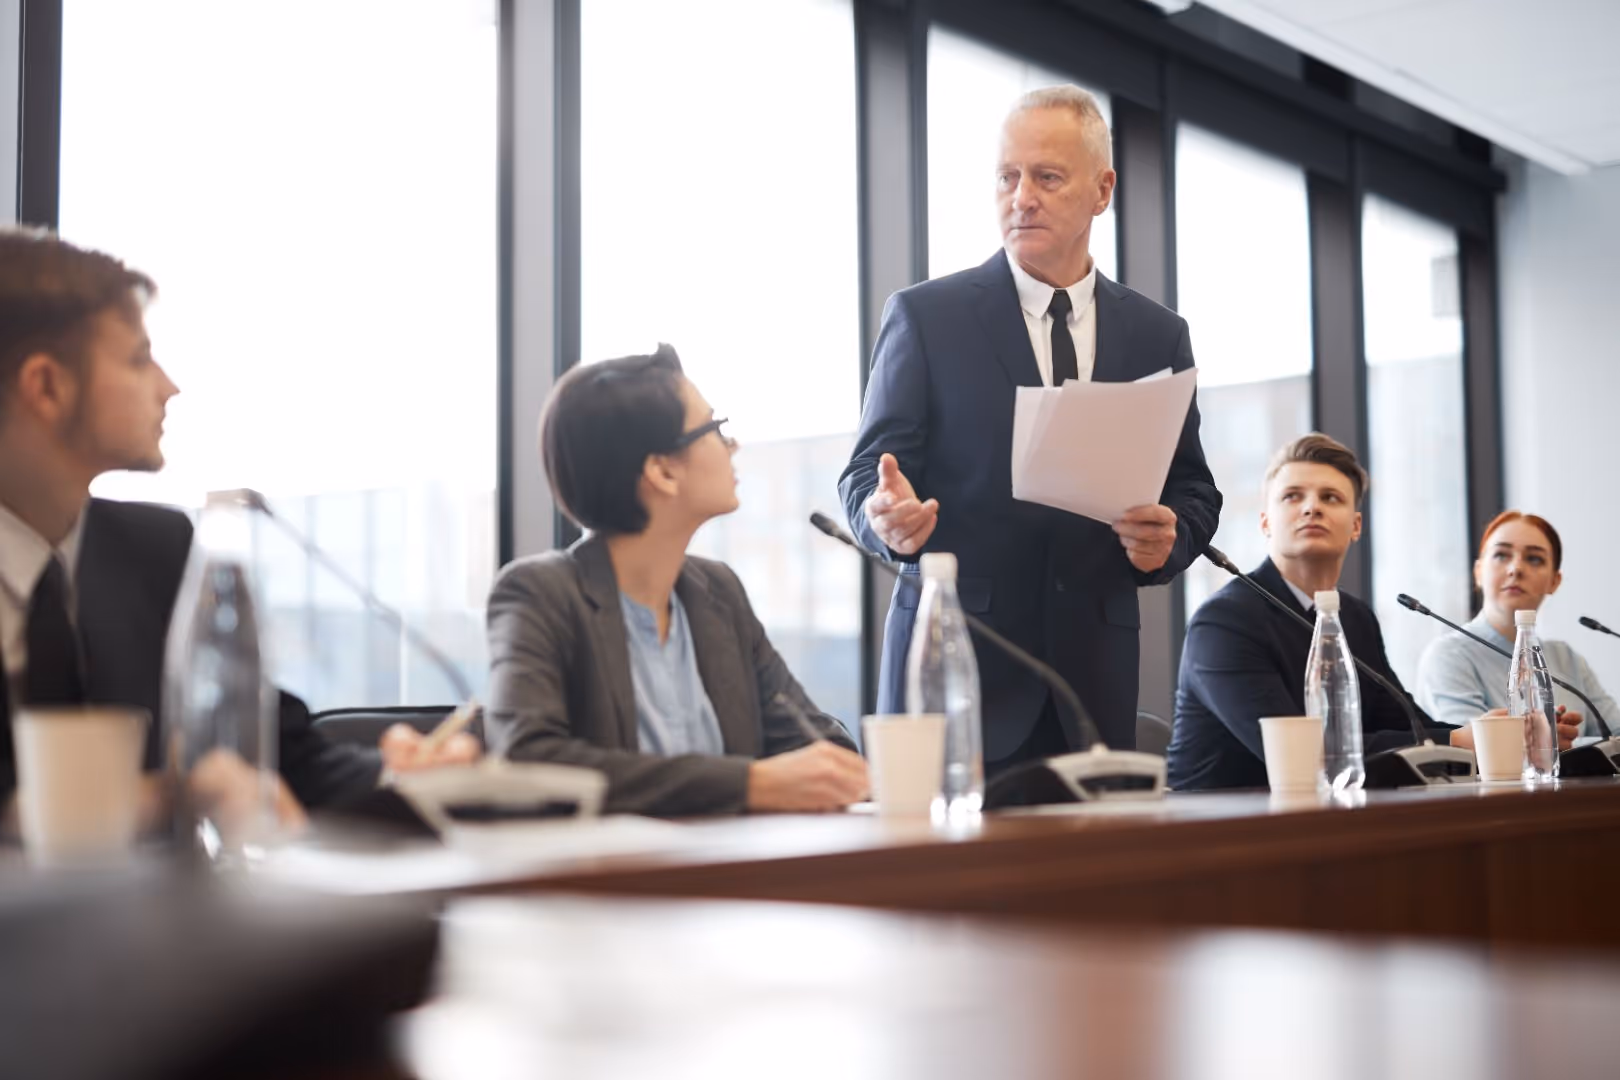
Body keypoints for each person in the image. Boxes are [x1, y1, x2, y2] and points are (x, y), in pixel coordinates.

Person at [0, 227, 477, 830]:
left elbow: (282, 759)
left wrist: (402, 778)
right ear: (46, 386)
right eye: (138, 359)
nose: (170, 387)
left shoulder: (154, 549)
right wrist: (159, 801)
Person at [839, 85, 1220, 768]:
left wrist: (1169, 537)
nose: (1022, 197)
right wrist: (884, 517)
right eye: (1007, 177)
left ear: (1102, 191)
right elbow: (868, 472)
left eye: (1046, 177)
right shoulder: (927, 317)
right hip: (954, 666)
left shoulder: (1158, 334)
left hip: (1092, 678)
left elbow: (1194, 489)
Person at [484, 346, 866, 817]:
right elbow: (527, 761)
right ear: (662, 471)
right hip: (609, 881)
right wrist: (747, 784)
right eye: (715, 429)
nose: (734, 445)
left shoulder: (718, 592)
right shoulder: (540, 592)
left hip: (732, 875)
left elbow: (813, 739)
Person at [1164, 435, 1579, 791]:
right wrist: (1459, 739)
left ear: (1356, 525)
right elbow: (1299, 754)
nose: (1311, 508)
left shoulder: (1355, 617)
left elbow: (1404, 720)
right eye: (1293, 497)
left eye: (1330, 497)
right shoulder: (1223, 622)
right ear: (1266, 522)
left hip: (1328, 817)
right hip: (1222, 834)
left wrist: (1496, 734)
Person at [1416, 511, 1620, 739]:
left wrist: (1564, 746)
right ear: (1478, 572)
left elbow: (1616, 737)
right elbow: (1472, 748)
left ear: (1554, 581)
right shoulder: (1448, 656)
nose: (1515, 569)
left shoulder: (1567, 658)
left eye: (1534, 559)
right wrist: (1552, 746)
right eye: (1501, 555)